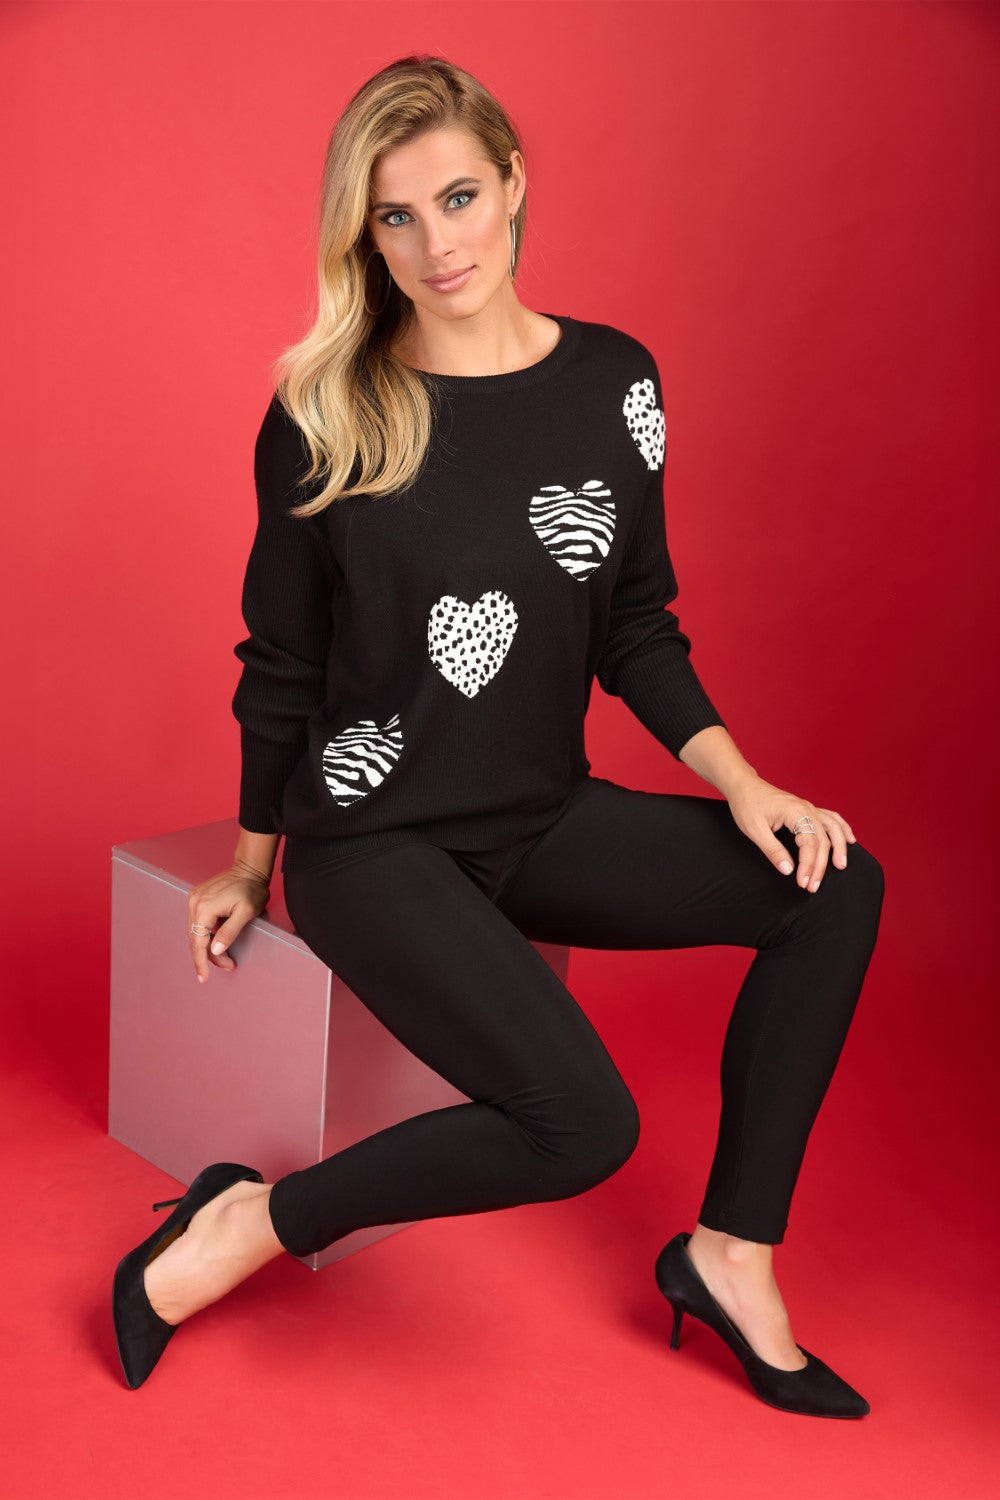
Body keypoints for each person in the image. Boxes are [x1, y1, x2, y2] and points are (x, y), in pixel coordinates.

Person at [112, 55, 884, 1416]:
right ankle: (249, 1223)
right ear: (365, 234)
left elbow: (635, 625)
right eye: (396, 216)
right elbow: (281, 665)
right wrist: (251, 860)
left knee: (835, 887)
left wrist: (747, 783)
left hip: (536, 815)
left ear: (516, 184)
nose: (437, 245)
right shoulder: (326, 413)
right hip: (373, 846)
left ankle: (731, 1254)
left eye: (460, 197)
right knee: (583, 1124)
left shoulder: (615, 382)